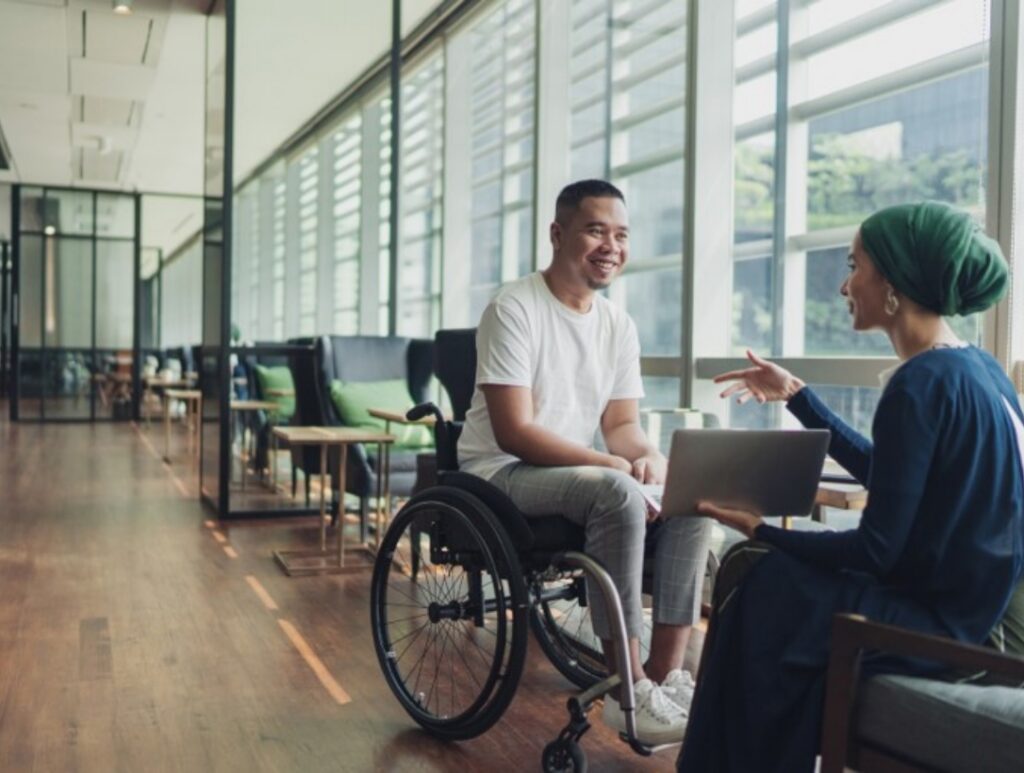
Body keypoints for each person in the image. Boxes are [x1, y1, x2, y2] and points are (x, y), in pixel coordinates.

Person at [677, 201, 1024, 772]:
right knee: (764, 574)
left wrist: (761, 529)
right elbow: (894, 480)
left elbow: (874, 550)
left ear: (892, 283)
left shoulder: (919, 384)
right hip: (969, 612)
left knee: (755, 575)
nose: (844, 286)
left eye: (853, 265)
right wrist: (798, 398)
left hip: (939, 625)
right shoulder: (977, 369)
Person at [458, 179, 711, 745]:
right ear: (558, 234)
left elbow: (622, 427)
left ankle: (666, 678)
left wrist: (647, 456)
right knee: (614, 491)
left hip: (573, 473)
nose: (611, 247)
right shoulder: (514, 307)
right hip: (499, 472)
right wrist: (609, 465)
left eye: (621, 235)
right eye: (596, 231)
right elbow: (515, 431)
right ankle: (627, 688)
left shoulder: (618, 325)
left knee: (692, 494)